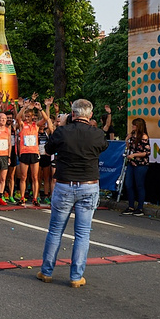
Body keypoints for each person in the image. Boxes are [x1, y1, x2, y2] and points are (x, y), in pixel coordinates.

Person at [38, 99, 107, 288]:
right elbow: (103, 147)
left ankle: (46, 271)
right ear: (90, 115)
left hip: (65, 184)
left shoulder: (62, 132)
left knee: (55, 230)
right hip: (88, 185)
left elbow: (48, 149)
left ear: (72, 114)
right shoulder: (97, 134)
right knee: (83, 234)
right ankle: (76, 276)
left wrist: (62, 124)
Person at [122, 117, 151, 217]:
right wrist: (127, 140)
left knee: (139, 185)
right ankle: (130, 206)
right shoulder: (133, 136)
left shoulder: (144, 137)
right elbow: (130, 147)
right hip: (132, 163)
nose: (132, 127)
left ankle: (140, 207)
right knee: (128, 184)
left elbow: (146, 152)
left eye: (134, 125)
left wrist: (134, 155)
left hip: (141, 164)